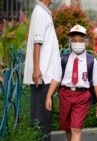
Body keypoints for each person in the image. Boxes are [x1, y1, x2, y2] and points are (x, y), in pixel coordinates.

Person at [45, 24, 97, 141]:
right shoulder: (63, 59)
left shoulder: (91, 61)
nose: (78, 43)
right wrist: (48, 96)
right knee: (67, 127)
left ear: (86, 42)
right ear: (70, 42)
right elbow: (56, 78)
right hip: (65, 94)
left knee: (76, 128)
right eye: (74, 41)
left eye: (81, 41)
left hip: (82, 96)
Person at [23, 0, 61, 140]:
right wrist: (36, 69)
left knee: (45, 119)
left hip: (46, 75)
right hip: (42, 76)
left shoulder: (44, 12)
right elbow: (37, 43)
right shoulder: (39, 12)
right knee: (40, 119)